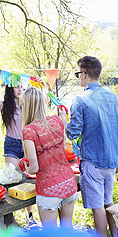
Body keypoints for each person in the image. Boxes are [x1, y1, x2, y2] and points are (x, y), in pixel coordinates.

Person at [60, 56, 118, 237]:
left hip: (93, 161)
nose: (78, 77)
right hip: (113, 160)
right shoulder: (116, 97)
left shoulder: (80, 100)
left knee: (98, 206)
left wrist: (62, 120)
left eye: (78, 74)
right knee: (108, 201)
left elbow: (72, 133)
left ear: (84, 74)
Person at [0, 66, 36, 224]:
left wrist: (41, 85)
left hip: (28, 145)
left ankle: (29, 216)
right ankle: (8, 216)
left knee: (28, 180)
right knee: (11, 179)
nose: (20, 89)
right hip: (12, 145)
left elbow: (45, 101)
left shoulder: (28, 104)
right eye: (16, 86)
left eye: (22, 86)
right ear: (10, 88)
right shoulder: (4, 106)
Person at [19, 87, 78, 227]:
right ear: (42, 103)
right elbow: (63, 149)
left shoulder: (28, 130)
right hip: (68, 182)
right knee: (67, 228)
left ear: (25, 106)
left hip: (49, 189)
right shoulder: (56, 119)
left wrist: (27, 170)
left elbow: (35, 167)